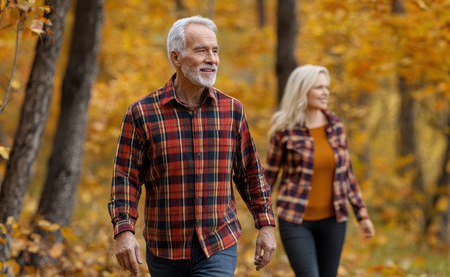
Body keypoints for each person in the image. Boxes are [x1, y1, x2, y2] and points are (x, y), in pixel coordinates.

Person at [107, 15, 276, 277]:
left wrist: (265, 224)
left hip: (218, 243)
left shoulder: (232, 110)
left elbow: (250, 173)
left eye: (215, 51)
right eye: (202, 50)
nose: (212, 58)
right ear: (176, 57)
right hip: (164, 248)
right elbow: (126, 178)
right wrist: (124, 229)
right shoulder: (142, 113)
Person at [265, 64, 375, 277]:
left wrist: (362, 215)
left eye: (327, 87)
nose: (325, 92)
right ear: (302, 90)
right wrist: (262, 220)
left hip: (334, 220)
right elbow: (268, 178)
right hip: (295, 219)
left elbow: (347, 174)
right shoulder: (284, 130)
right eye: (319, 88)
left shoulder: (335, 125)